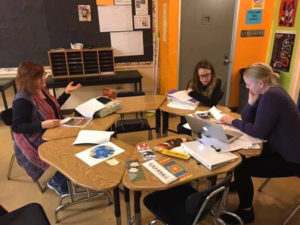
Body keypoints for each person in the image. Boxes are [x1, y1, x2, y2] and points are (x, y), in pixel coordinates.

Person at [219, 63, 300, 224]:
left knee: (242, 165)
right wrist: (251, 102)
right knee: (242, 154)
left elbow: (258, 132)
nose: (246, 86)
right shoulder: (269, 92)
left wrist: (232, 121)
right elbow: (248, 119)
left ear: (260, 83)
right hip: (281, 146)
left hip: (293, 158)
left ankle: (246, 211)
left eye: (248, 84)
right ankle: (241, 185)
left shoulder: (272, 97)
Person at [12, 62, 82, 196]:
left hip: (52, 128)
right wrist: (43, 125)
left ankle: (68, 172)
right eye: (39, 77)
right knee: (66, 146)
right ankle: (55, 180)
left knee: (77, 137)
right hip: (34, 137)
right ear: (29, 81)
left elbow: (53, 108)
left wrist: (66, 93)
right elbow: (17, 127)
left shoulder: (41, 90)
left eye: (43, 75)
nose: (44, 79)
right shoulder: (23, 99)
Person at [177, 59, 223, 134]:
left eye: (207, 75)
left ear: (212, 73)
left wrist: (193, 93)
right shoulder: (192, 83)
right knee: (182, 127)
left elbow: (212, 103)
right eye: (201, 76)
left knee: (205, 129)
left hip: (208, 113)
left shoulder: (217, 81)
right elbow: (186, 103)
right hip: (193, 111)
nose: (205, 79)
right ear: (197, 76)